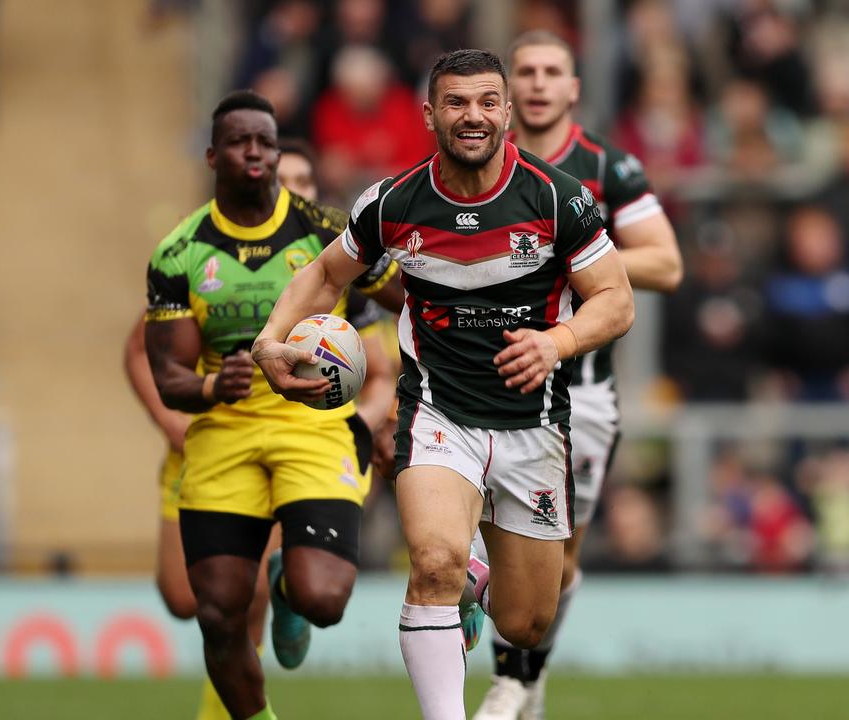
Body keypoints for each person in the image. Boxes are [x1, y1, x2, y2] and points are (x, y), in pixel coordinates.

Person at [253, 50, 635, 720]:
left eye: (488, 101)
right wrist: (269, 339)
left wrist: (557, 341)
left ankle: (475, 580)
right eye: (456, 103)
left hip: (533, 427)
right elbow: (323, 275)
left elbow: (616, 300)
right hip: (437, 413)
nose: (473, 116)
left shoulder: (555, 197)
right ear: (429, 114)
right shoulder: (392, 202)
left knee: (525, 623)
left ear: (508, 113)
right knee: (431, 561)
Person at [142, 90, 399, 720]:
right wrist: (209, 388)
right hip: (223, 432)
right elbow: (166, 372)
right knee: (217, 613)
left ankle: (287, 582)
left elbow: (407, 297)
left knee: (324, 598)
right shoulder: (179, 254)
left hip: (314, 427)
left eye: (265, 140)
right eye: (239, 141)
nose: (254, 151)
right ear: (211, 155)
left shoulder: (327, 231)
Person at [473, 31, 683, 719]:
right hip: (482, 383)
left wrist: (580, 247)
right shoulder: (474, 164)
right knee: (475, 542)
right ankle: (509, 676)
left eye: (550, 72)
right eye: (524, 71)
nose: (536, 83)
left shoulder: (607, 166)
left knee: (558, 555)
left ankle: (523, 675)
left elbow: (666, 263)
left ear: (573, 89)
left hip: (582, 390)